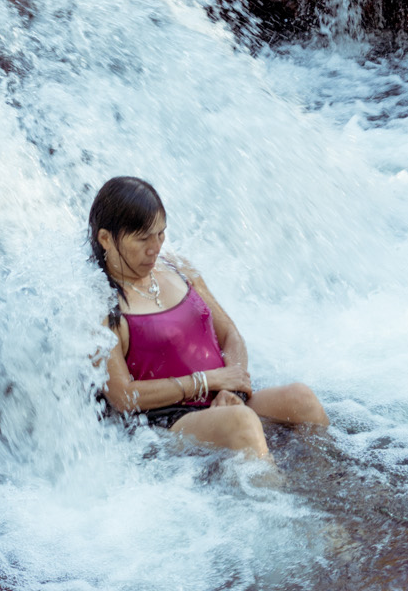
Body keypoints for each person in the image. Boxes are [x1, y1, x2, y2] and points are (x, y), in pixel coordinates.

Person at [90, 175, 328, 459]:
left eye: (161, 234)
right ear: (106, 238)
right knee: (242, 422)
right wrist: (207, 382)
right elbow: (122, 396)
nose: (155, 248)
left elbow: (231, 334)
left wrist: (232, 388)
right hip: (166, 421)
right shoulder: (97, 303)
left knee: (302, 399)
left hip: (221, 398)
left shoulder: (178, 268)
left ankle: (334, 483)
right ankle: (276, 499)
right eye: (143, 239)